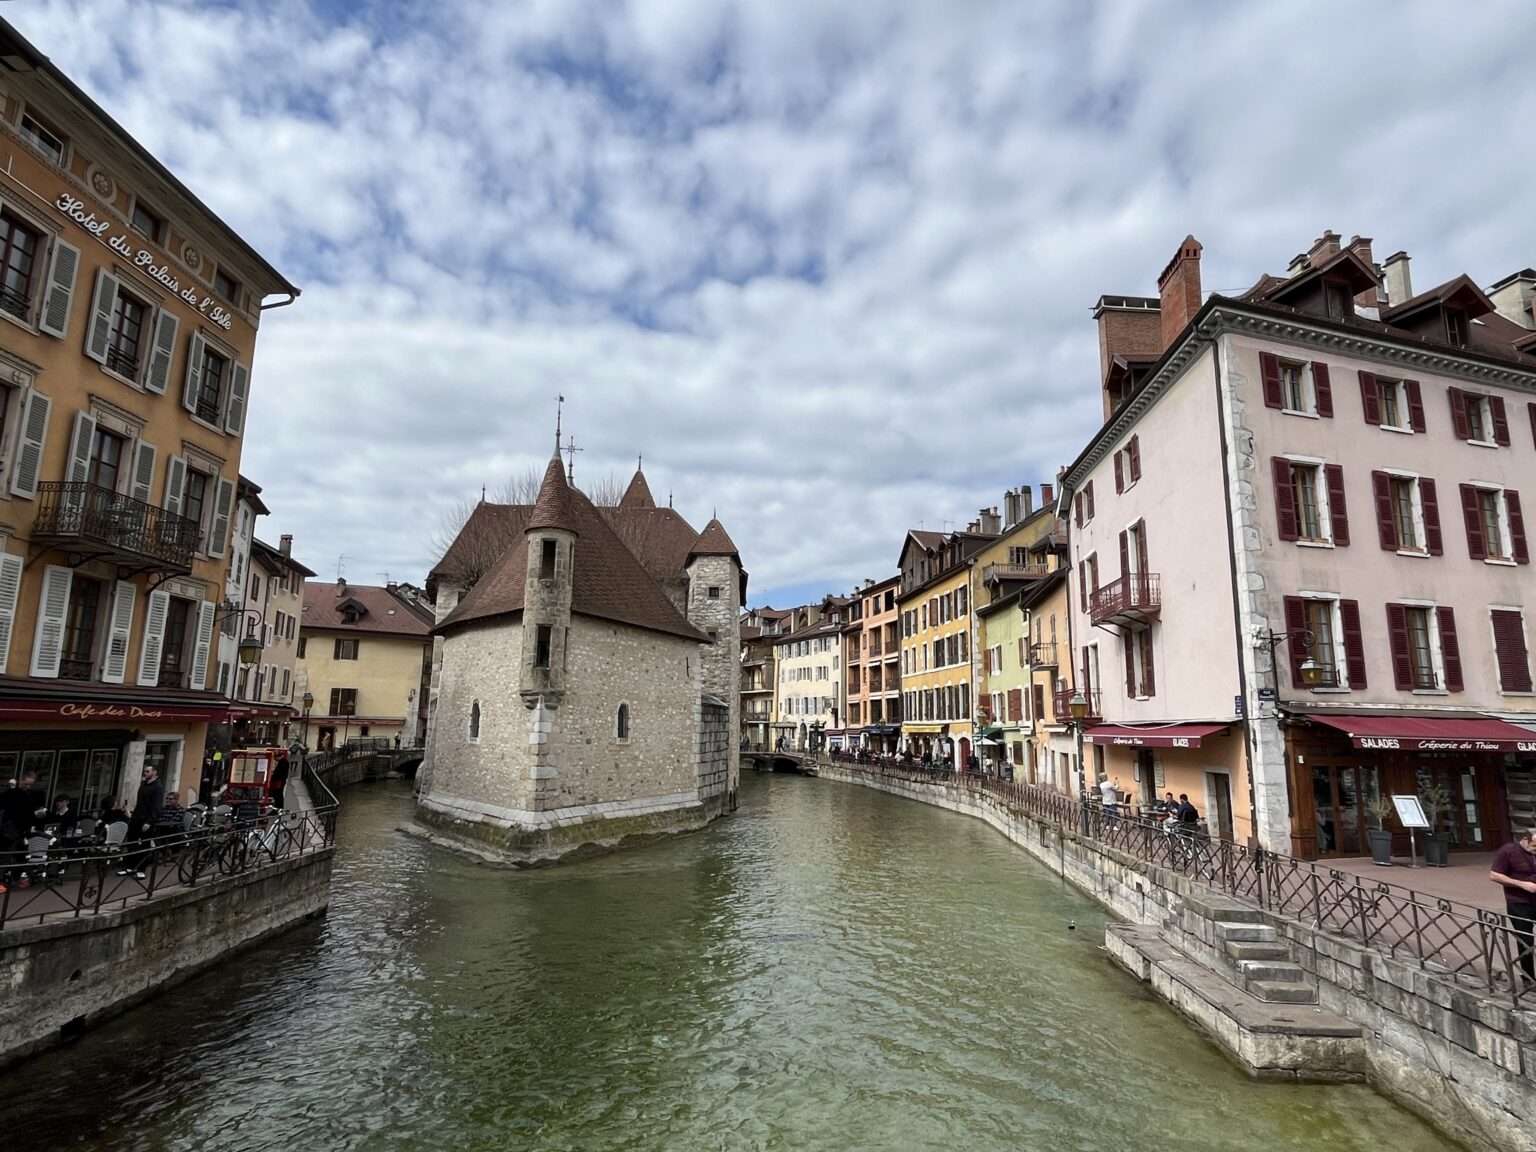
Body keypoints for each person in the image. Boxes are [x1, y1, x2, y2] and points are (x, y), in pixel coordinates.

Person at [1489, 829, 1536, 985]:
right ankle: (1528, 978)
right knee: (1525, 939)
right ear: (1525, 839)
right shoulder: (1508, 851)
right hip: (1519, 902)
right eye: (1534, 846)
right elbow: (1494, 875)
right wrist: (1522, 884)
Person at [0, 768, 44, 891]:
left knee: (20, 856)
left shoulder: (27, 794)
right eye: (26, 784)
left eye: (30, 785)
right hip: (9, 830)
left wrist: (36, 815)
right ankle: (3, 882)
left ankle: (13, 880)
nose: (28, 787)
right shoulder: (12, 793)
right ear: (20, 781)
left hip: (22, 831)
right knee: (6, 856)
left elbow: (28, 812)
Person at [119, 765, 165, 879]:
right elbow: (140, 802)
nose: (145, 773)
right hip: (137, 817)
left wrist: (149, 821)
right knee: (132, 842)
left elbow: (157, 806)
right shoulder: (144, 784)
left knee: (144, 843)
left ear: (154, 772)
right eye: (144, 771)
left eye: (147, 771)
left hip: (146, 819)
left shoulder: (158, 787)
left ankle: (141, 869)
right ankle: (130, 866)